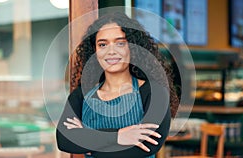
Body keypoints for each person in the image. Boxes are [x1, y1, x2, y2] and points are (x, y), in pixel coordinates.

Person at [56, 12, 179, 158]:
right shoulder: (81, 95)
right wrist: (119, 136)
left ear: (133, 47)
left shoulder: (155, 93)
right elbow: (64, 140)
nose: (111, 51)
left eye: (120, 43)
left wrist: (88, 142)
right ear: (95, 51)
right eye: (102, 44)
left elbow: (147, 145)